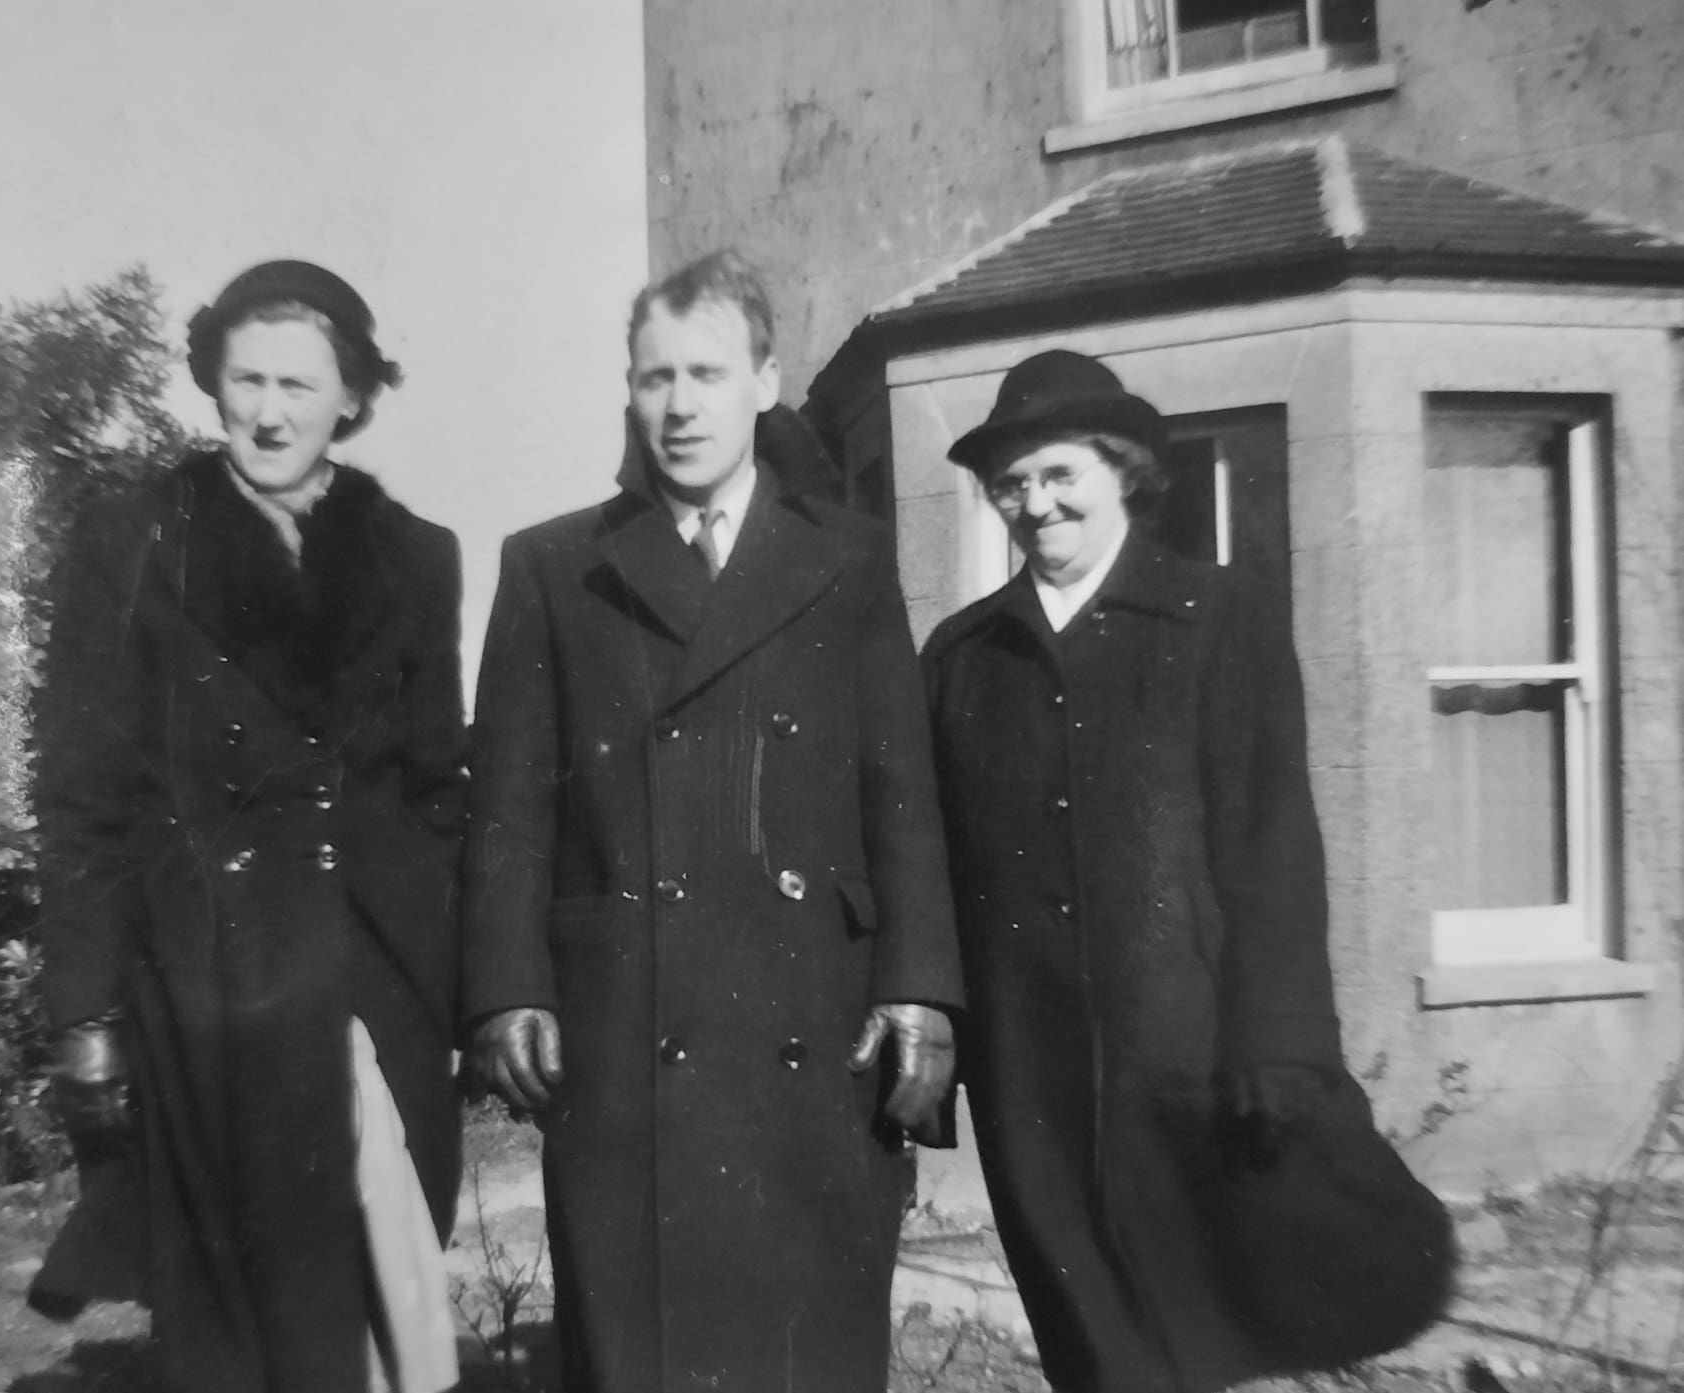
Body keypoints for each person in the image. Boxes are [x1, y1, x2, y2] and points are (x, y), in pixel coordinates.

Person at [462, 248, 964, 1393]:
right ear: (628, 392)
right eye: (653, 378)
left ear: (764, 380)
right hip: (628, 1021)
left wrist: (923, 985)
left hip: (810, 1010)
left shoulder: (849, 559)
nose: (679, 405)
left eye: (705, 372)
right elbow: (505, 807)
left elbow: (902, 793)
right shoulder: (553, 566)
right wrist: (504, 986)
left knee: (807, 1344)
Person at [923, 350, 1453, 1392]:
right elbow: (931, 855)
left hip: (1190, 1049)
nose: (1037, 504)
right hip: (1029, 1067)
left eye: (1060, 473)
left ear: (1121, 471)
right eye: (1014, 484)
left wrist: (1283, 1044)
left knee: (1194, 1327)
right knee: (1086, 1324)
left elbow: (1272, 842)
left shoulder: (1216, 619)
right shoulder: (961, 654)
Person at [29, 260, 467, 1393]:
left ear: (355, 398)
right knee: (236, 1324)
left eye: (299, 385)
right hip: (202, 981)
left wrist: (451, 977)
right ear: (211, 384)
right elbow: (79, 792)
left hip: (369, 982)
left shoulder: (418, 555)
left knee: (382, 1298)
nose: (269, 411)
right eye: (245, 380)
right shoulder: (132, 538)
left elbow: (435, 786)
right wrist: (83, 1010)